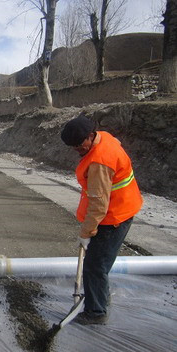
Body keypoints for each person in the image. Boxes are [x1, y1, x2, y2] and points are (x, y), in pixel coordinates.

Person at [61, 114, 143, 325]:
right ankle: (100, 298)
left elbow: (98, 204)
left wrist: (86, 233)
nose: (77, 150)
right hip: (124, 207)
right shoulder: (104, 137)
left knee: (94, 266)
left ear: (90, 136)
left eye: (80, 145)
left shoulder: (99, 162)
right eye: (73, 147)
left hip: (113, 217)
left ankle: (96, 312)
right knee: (100, 264)